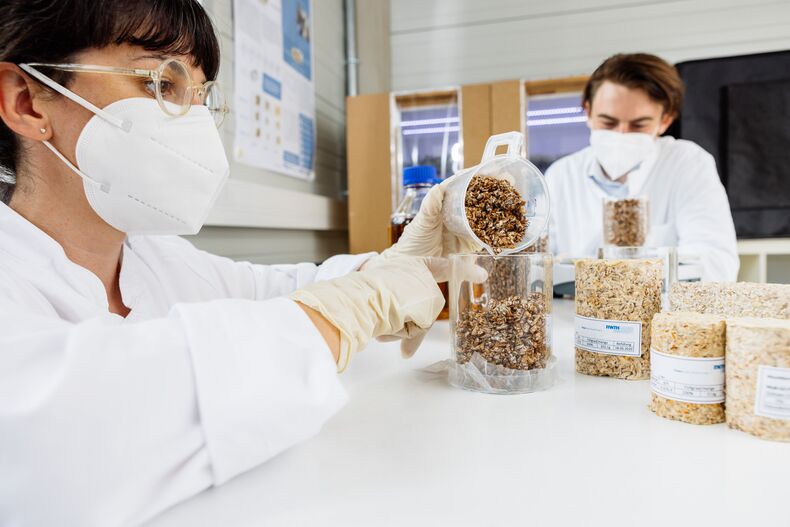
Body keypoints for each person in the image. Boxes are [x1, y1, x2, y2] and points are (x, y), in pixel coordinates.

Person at [0, 1, 474, 525]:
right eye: (160, 84)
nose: (194, 121)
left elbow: (276, 291)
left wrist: (392, 267)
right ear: (27, 101)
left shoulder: (156, 258)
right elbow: (58, 438)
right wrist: (346, 312)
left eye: (201, 97)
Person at [546, 53, 739, 282]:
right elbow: (541, 267)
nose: (621, 135)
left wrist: (634, 273)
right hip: (576, 315)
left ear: (665, 120)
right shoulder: (561, 175)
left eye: (638, 125)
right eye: (608, 122)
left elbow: (716, 265)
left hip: (662, 316)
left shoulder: (688, 163)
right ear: (587, 111)